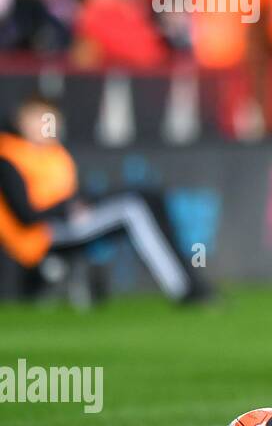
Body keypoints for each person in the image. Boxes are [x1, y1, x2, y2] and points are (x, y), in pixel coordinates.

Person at [0, 96, 210, 304]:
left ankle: (190, 277)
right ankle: (184, 288)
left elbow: (68, 194)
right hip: (38, 236)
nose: (45, 125)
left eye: (50, 119)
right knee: (132, 208)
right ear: (21, 121)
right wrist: (67, 208)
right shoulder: (9, 156)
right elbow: (25, 215)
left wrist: (79, 203)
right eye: (38, 119)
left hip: (64, 221)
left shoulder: (54, 154)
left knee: (148, 197)